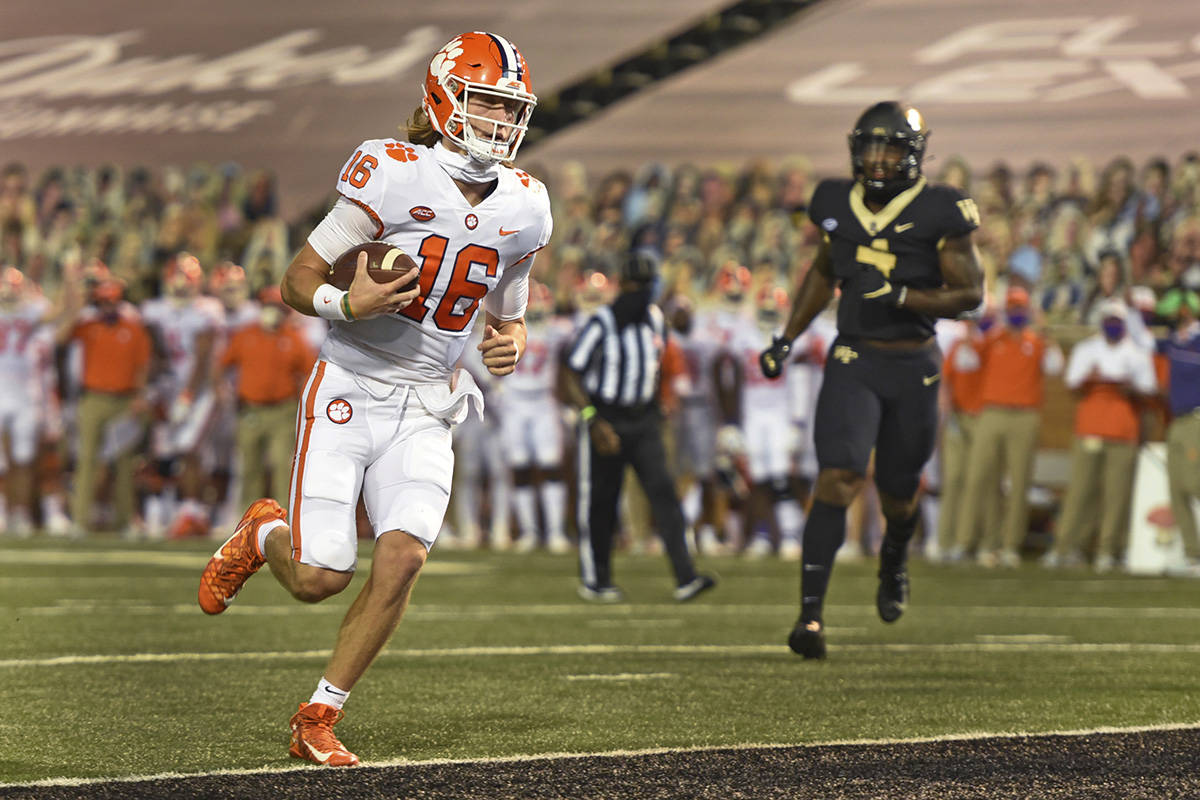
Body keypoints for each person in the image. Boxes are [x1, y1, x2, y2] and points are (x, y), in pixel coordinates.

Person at [196, 31, 552, 767]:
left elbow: (509, 307)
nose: (499, 121)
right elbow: (298, 279)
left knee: (403, 558)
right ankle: (265, 532)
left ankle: (318, 714)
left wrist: (510, 339)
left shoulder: (527, 204)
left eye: (508, 107)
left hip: (429, 404)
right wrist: (346, 305)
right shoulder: (390, 171)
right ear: (442, 97)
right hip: (352, 387)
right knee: (322, 577)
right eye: (485, 101)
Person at [758, 101, 983, 659]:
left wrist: (907, 296)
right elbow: (824, 273)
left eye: (890, 148)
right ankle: (810, 616)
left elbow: (972, 295)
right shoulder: (836, 201)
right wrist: (787, 337)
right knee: (837, 477)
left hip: (914, 364)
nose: (878, 160)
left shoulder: (942, 209)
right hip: (854, 356)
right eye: (870, 147)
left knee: (901, 495)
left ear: (913, 154)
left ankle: (895, 557)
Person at [563, 248, 717, 603]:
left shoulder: (654, 318)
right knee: (601, 501)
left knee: (664, 494)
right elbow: (572, 371)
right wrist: (592, 419)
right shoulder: (602, 321)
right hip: (606, 417)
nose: (644, 292)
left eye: (650, 285)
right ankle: (596, 580)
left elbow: (658, 363)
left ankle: (686, 577)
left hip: (644, 418)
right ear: (625, 285)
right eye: (639, 285)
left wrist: (657, 404)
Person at [954, 287, 1063, 567]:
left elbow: (1055, 367)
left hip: (1025, 416)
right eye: (1012, 308)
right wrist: (970, 334)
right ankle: (968, 541)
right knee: (979, 477)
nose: (1016, 313)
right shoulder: (994, 339)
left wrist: (1046, 332)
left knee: (1019, 483)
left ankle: (1010, 545)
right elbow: (966, 362)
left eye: (1020, 308)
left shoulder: (1036, 341)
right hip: (991, 413)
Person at [1044, 300, 1156, 572]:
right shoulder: (1087, 349)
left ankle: (1108, 550)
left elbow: (1150, 389)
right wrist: (1090, 378)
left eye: (1117, 320)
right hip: (1090, 427)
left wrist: (1131, 388)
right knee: (1080, 491)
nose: (1113, 325)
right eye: (1109, 319)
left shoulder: (1137, 353)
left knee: (1116, 495)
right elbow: (1071, 383)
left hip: (1122, 429)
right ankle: (1067, 547)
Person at [212, 286, 315, 514]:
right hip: (250, 409)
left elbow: (309, 371)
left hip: (282, 411)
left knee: (281, 464)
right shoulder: (245, 335)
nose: (272, 312)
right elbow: (221, 364)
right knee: (249, 466)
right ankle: (247, 520)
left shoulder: (293, 337)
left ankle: (282, 519)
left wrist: (302, 403)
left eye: (277, 307)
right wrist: (221, 389)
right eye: (269, 306)